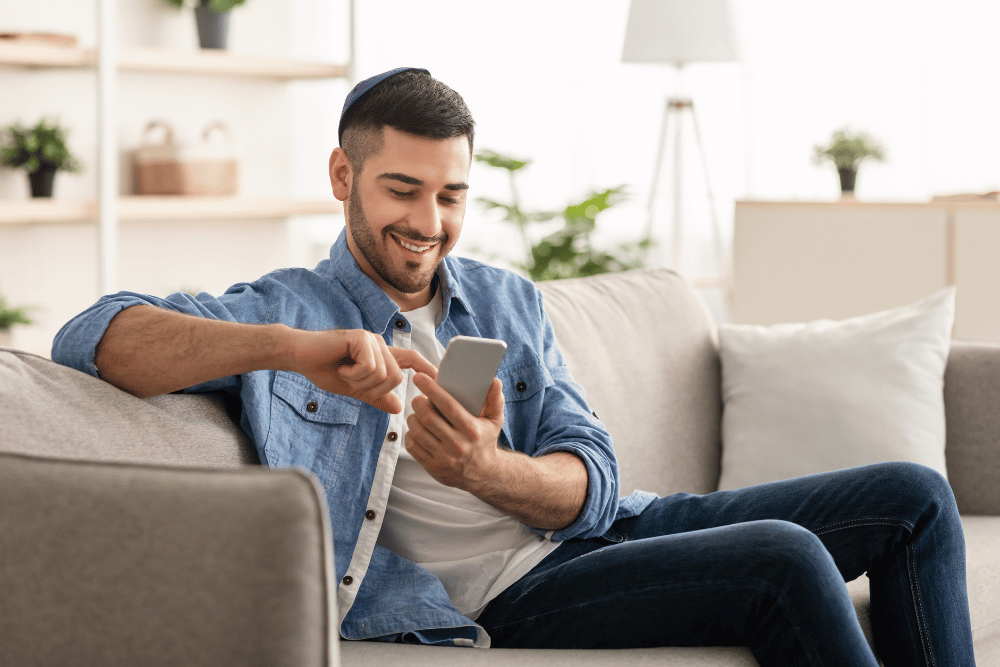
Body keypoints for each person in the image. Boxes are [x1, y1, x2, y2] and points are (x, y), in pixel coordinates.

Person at [51, 68, 976, 666]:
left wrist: (487, 468)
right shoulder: (286, 307)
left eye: (451, 194)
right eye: (401, 189)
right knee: (786, 559)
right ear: (343, 177)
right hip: (511, 593)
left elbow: (595, 472)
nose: (428, 221)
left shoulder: (504, 300)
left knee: (914, 497)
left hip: (604, 533)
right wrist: (297, 355)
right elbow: (96, 334)